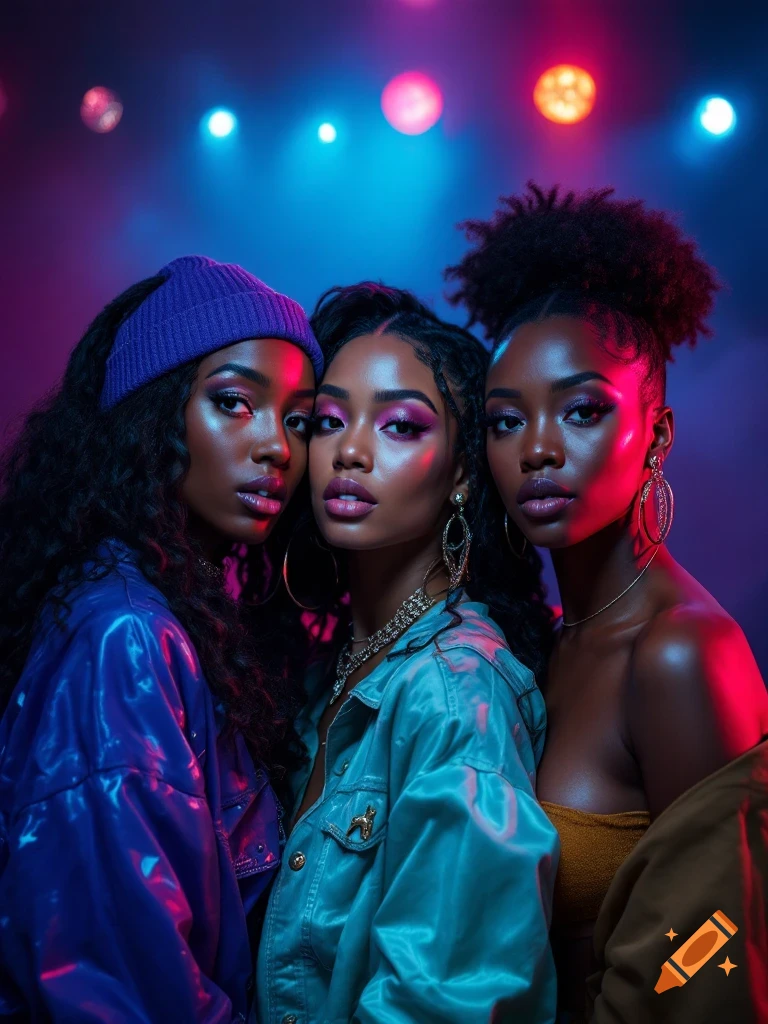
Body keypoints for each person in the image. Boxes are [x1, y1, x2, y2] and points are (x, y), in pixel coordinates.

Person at [446, 183, 768, 1021]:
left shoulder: (680, 652)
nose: (539, 449)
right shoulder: (543, 641)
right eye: (505, 421)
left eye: (582, 410)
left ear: (655, 433)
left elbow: (709, 959)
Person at [0, 256, 324, 1022]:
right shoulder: (127, 638)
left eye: (300, 418)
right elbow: (116, 980)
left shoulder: (172, 612)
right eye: (235, 403)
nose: (277, 444)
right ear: (154, 418)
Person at [255, 283, 559, 1024]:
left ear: (461, 471)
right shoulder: (334, 669)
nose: (350, 452)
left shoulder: (455, 694)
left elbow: (446, 1001)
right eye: (327, 421)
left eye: (399, 426)